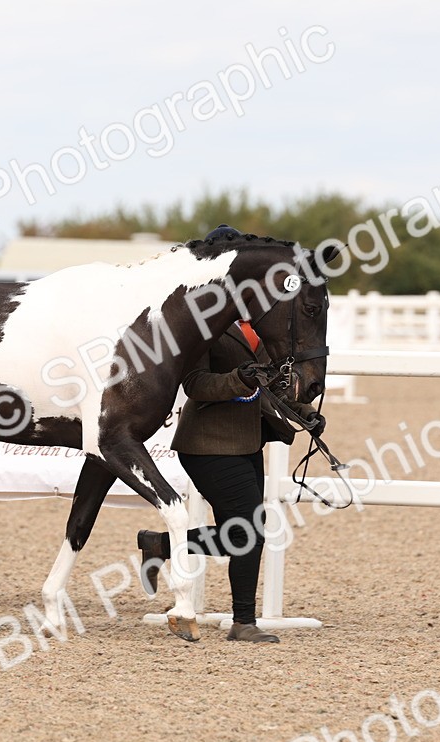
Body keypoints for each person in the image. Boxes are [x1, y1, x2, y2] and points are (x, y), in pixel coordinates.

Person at [137, 224, 325, 643]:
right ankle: (243, 622)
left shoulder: (261, 320)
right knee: (251, 534)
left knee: (238, 533)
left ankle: (161, 546)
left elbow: (271, 382)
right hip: (206, 444)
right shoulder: (199, 323)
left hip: (248, 440)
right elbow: (196, 384)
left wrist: (303, 411)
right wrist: (238, 380)